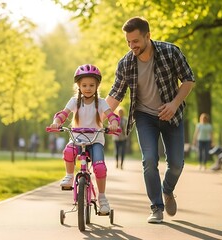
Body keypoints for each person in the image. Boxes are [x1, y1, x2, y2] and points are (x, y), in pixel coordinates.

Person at [106, 16, 195, 223]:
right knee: (149, 161)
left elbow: (188, 79)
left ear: (148, 36)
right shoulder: (126, 63)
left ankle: (167, 190)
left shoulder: (170, 51)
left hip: (172, 114)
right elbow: (115, 95)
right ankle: (156, 206)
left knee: (176, 164)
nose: (132, 46)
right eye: (128, 42)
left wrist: (174, 104)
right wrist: (94, 116)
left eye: (135, 41)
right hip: (145, 116)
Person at [49, 64, 120, 214]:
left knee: (100, 168)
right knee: (68, 152)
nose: (88, 88)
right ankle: (69, 176)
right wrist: (57, 123)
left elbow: (111, 116)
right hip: (77, 139)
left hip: (95, 140)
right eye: (84, 85)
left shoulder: (101, 103)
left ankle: (102, 198)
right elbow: (63, 114)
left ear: (97, 86)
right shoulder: (74, 101)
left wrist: (113, 124)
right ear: (79, 86)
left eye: (91, 85)